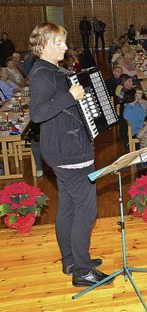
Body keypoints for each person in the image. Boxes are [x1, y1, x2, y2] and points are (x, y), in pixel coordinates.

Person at [29, 22, 111, 287]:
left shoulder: (53, 72)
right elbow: (37, 114)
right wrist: (71, 96)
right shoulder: (42, 74)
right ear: (43, 45)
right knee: (86, 211)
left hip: (63, 151)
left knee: (67, 207)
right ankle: (83, 271)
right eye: (59, 42)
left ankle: (71, 259)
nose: (65, 46)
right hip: (70, 154)